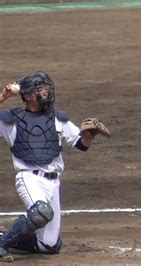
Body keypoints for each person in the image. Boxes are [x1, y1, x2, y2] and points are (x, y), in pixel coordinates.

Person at [0, 71, 103, 259]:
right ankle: (2, 245)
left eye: (46, 89)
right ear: (28, 95)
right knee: (40, 212)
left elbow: (81, 145)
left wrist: (89, 136)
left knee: (49, 246)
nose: (46, 93)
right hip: (29, 177)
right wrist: (3, 97)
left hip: (53, 183)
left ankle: (5, 236)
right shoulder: (10, 121)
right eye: (40, 90)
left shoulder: (58, 118)